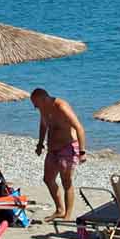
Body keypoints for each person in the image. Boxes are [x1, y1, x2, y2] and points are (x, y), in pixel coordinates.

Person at [31, 86, 86, 222]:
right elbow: (44, 125)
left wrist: (82, 152)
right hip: (52, 149)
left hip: (67, 147)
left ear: (44, 99)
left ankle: (67, 215)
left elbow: (79, 127)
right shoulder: (43, 109)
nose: (35, 108)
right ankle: (59, 209)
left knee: (66, 181)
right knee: (48, 179)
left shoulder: (61, 106)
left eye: (36, 104)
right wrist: (40, 144)